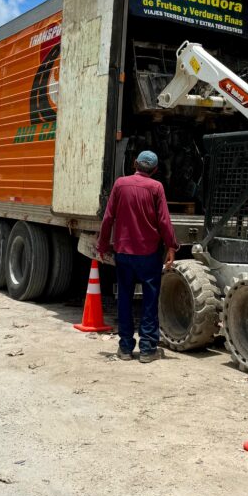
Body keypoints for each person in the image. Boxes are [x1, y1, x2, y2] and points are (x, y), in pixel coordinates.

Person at [96, 150, 178, 363]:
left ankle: (124, 348)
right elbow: (164, 221)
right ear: (155, 170)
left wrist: (103, 245)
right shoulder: (156, 187)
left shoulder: (120, 184)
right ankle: (147, 349)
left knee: (124, 299)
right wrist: (171, 246)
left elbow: (108, 218)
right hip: (149, 254)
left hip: (123, 253)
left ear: (134, 164)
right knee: (149, 302)